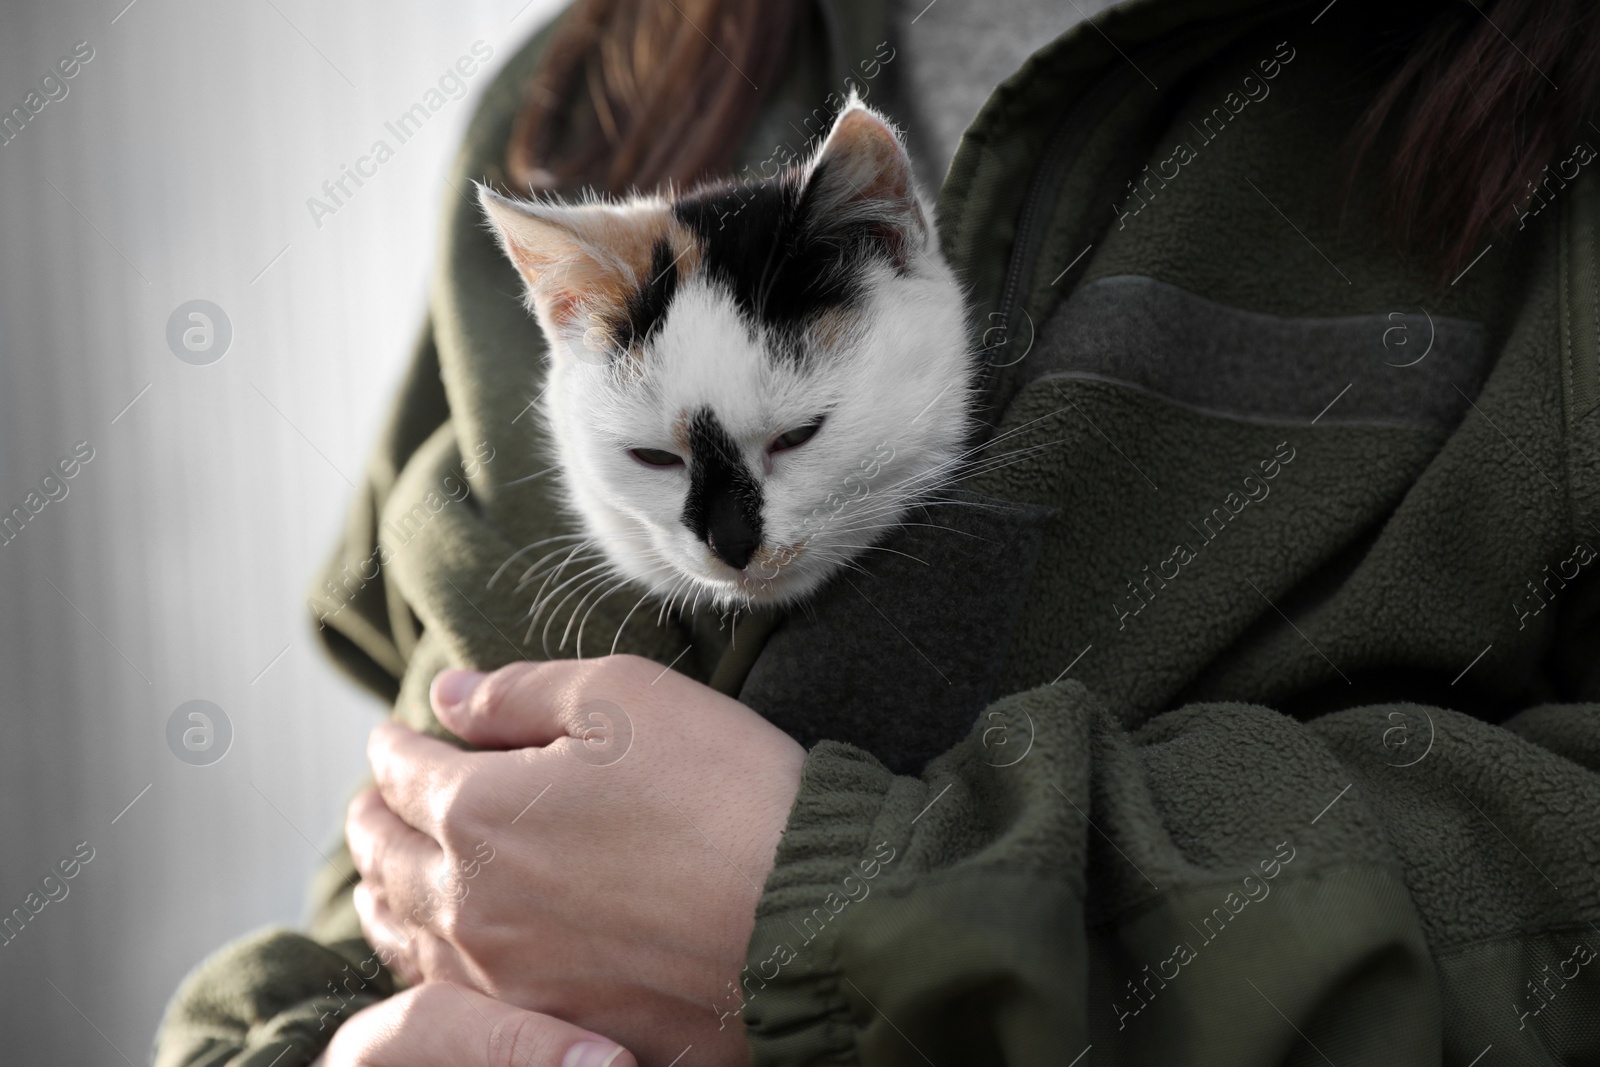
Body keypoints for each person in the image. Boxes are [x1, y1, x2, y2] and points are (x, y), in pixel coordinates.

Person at [156, 0, 1600, 1064]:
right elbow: (384, 868)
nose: (731, 549)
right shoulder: (576, 103)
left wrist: (856, 914)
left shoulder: (1538, 135)